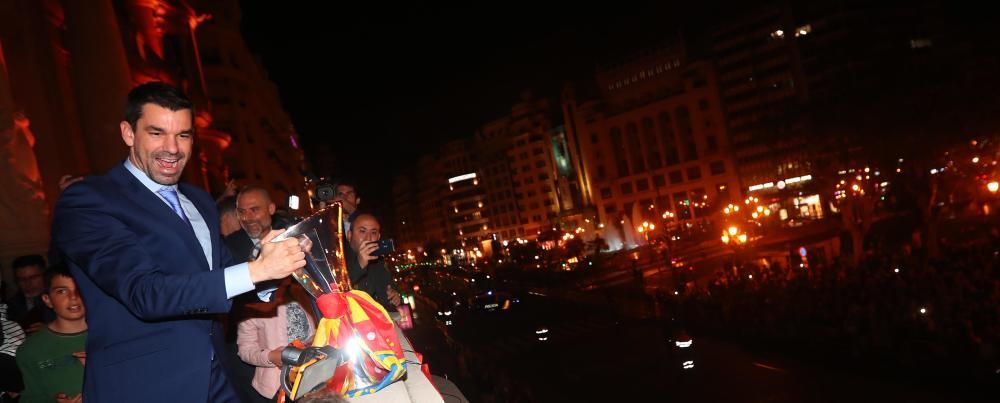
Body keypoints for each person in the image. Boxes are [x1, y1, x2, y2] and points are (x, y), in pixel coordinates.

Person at [51, 82, 306, 403]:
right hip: (145, 386)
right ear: (128, 133)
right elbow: (145, 293)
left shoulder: (199, 200)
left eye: (183, 135)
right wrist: (257, 270)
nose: (172, 148)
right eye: (157, 133)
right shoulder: (89, 200)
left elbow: (226, 279)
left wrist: (273, 265)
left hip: (219, 381)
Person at [15, 265, 86, 403]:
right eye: (62, 291)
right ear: (47, 300)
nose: (73, 297)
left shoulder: (112, 335)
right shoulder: (30, 350)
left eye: (80, 289)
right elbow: (31, 397)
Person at [237, 278, 316, 401]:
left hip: (312, 374)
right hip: (278, 384)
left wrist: (315, 340)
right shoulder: (252, 304)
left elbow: (313, 327)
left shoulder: (300, 290)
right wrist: (271, 356)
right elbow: (246, 350)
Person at [345, 214, 401, 311]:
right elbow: (336, 291)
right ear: (349, 235)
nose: (368, 238)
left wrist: (394, 296)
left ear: (378, 237)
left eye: (373, 232)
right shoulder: (339, 258)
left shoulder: (379, 261)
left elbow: (388, 290)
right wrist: (360, 264)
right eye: (362, 231)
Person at [5, 255, 53, 334]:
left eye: (33, 277)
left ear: (45, 276)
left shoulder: (59, 299)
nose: (28, 283)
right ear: (16, 281)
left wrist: (52, 329)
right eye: (22, 279)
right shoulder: (10, 306)